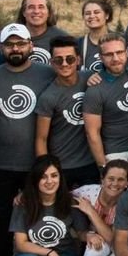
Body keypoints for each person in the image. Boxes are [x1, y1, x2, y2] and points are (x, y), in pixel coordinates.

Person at [0, 25, 55, 256]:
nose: (15, 49)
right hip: (2, 161)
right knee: (2, 215)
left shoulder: (47, 73)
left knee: (40, 212)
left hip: (37, 161)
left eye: (20, 43)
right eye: (10, 44)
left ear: (30, 46)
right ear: (1, 48)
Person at [11, 154, 80, 256]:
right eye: (43, 177)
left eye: (54, 175)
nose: (50, 181)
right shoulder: (23, 203)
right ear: (35, 180)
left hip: (64, 253)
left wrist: (91, 232)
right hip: (33, 255)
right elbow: (21, 243)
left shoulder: (70, 201)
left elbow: (82, 233)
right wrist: (50, 252)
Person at [69, 159, 128, 256]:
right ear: (102, 179)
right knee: (94, 247)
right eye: (110, 178)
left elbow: (113, 239)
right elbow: (61, 198)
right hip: (100, 238)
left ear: (127, 183)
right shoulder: (89, 192)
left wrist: (91, 212)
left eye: (121, 179)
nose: (115, 183)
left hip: (123, 243)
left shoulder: (126, 202)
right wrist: (25, 196)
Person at [35, 36, 95, 188]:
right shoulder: (48, 96)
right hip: (62, 165)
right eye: (58, 60)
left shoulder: (90, 79)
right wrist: (46, 171)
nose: (64, 64)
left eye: (70, 59)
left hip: (91, 162)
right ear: (51, 63)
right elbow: (41, 139)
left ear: (78, 60)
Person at [82, 35, 128, 167]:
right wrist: (103, 166)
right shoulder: (95, 90)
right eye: (109, 54)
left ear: (126, 52)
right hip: (117, 154)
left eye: (119, 52)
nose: (116, 58)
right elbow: (92, 133)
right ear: (101, 57)